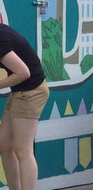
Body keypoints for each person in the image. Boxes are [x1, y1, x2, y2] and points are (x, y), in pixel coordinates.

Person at [0, 23, 49, 190]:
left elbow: (23, 72)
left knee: (23, 150)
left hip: (31, 91)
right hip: (19, 92)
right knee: (5, 145)